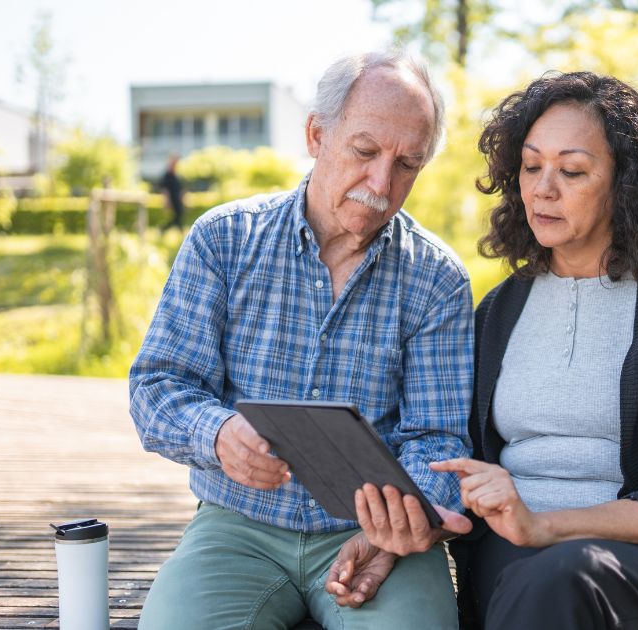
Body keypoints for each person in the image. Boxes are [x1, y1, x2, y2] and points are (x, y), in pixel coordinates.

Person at [129, 49, 475, 630]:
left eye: (407, 164)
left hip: (373, 539)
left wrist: (400, 522)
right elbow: (156, 387)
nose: (381, 183)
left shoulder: (437, 278)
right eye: (364, 152)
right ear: (317, 133)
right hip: (237, 526)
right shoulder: (223, 239)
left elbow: (437, 438)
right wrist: (217, 435)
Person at [431, 72, 638, 630]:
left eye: (573, 170)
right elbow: (463, 454)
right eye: (532, 166)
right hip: (509, 552)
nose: (543, 188)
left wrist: (546, 526)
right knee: (529, 581)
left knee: (558, 578)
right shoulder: (498, 310)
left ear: (625, 185)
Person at [161, 153, 185, 230]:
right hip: (173, 199)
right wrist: (167, 201)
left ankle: (164, 229)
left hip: (177, 200)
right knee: (177, 217)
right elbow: (165, 190)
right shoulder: (167, 175)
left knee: (178, 217)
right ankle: (163, 228)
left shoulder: (175, 175)